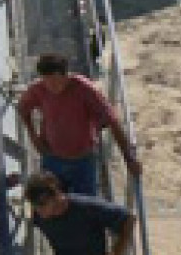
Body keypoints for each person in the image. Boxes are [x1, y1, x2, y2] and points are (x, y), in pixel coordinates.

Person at [19, 52, 142, 196]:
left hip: (83, 161)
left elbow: (112, 121)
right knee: (50, 200)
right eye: (47, 82)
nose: (52, 87)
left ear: (66, 75)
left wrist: (129, 158)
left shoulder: (84, 88)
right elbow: (23, 107)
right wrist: (33, 136)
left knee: (86, 204)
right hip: (52, 158)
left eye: (56, 82)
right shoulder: (38, 89)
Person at [25, 171, 136, 255]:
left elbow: (128, 218)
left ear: (56, 196)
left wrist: (116, 252)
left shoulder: (87, 207)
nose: (38, 210)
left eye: (41, 204)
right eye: (34, 204)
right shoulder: (39, 217)